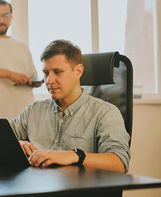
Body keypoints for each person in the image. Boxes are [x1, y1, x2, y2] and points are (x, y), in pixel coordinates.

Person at [10, 40, 131, 173]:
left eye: (57, 72)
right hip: (34, 188)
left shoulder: (105, 113)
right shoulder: (34, 110)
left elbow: (119, 163)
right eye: (46, 73)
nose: (49, 80)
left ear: (78, 71)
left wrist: (75, 156)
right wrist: (16, 145)